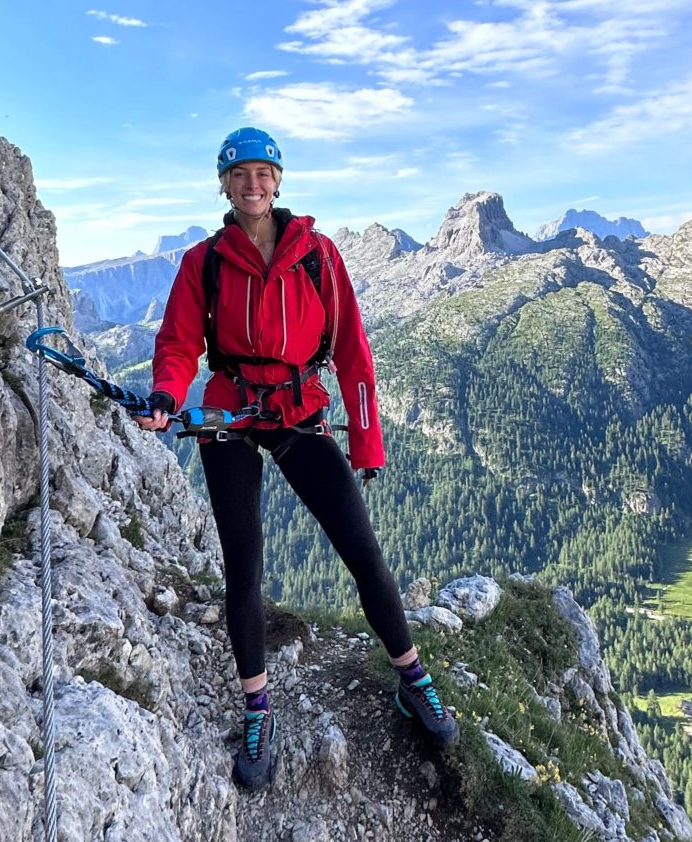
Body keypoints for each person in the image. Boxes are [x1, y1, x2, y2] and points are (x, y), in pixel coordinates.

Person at [138, 126, 457, 788]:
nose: (252, 185)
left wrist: (367, 439)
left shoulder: (318, 256)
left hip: (298, 413)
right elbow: (175, 346)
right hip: (227, 413)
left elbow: (353, 354)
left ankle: (412, 677)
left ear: (278, 182)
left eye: (263, 173)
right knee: (244, 569)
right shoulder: (205, 262)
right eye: (239, 175)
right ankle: (258, 707)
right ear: (223, 185)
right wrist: (168, 395)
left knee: (363, 553)